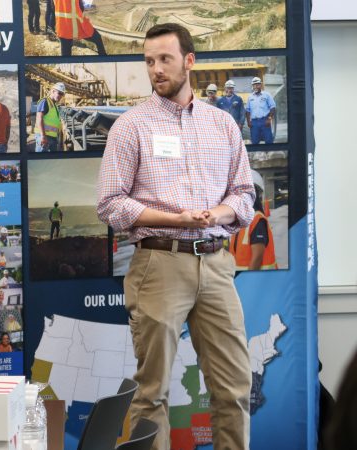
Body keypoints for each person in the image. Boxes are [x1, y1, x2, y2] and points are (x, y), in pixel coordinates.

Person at [97, 23, 255, 450]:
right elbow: (110, 204)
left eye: (165, 59)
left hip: (216, 264)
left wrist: (216, 213)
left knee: (235, 388)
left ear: (189, 61)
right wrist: (176, 218)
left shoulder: (222, 124)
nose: (156, 69)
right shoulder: (130, 126)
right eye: (149, 61)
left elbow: (244, 194)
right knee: (152, 393)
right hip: (159, 263)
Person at [229, 170, 277, 270]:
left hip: (258, 278)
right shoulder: (240, 219)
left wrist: (248, 277)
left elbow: (257, 257)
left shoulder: (257, 219)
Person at [35, 83, 65, 152]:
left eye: (62, 94)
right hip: (44, 136)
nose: (61, 96)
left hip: (52, 137)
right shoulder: (45, 102)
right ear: (53, 91)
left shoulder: (54, 105)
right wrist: (43, 136)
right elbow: (39, 119)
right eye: (59, 93)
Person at [245, 76, 276, 144]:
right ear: (252, 86)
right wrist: (248, 122)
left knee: (269, 141)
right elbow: (247, 110)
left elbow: (273, 107)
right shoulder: (250, 97)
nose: (256, 86)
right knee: (255, 142)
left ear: (261, 85)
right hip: (254, 123)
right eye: (254, 85)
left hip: (265, 121)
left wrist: (269, 119)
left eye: (257, 84)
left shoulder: (267, 95)